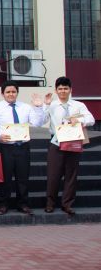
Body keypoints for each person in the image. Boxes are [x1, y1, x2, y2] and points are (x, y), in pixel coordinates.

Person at [0, 80, 49, 215]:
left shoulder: (26, 107)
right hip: (5, 147)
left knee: (23, 178)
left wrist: (39, 107)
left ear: (17, 93)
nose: (11, 94)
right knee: (5, 178)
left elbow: (37, 123)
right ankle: (3, 204)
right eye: (8, 92)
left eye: (13, 91)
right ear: (2, 93)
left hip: (22, 147)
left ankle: (23, 204)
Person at [43, 76, 95, 215]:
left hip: (73, 142)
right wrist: (45, 105)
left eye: (66, 88)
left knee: (71, 174)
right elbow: (41, 120)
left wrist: (79, 120)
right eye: (60, 89)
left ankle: (67, 204)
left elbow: (91, 119)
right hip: (56, 142)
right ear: (56, 90)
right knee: (53, 175)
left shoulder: (78, 105)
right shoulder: (52, 105)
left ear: (70, 90)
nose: (63, 91)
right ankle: (50, 203)